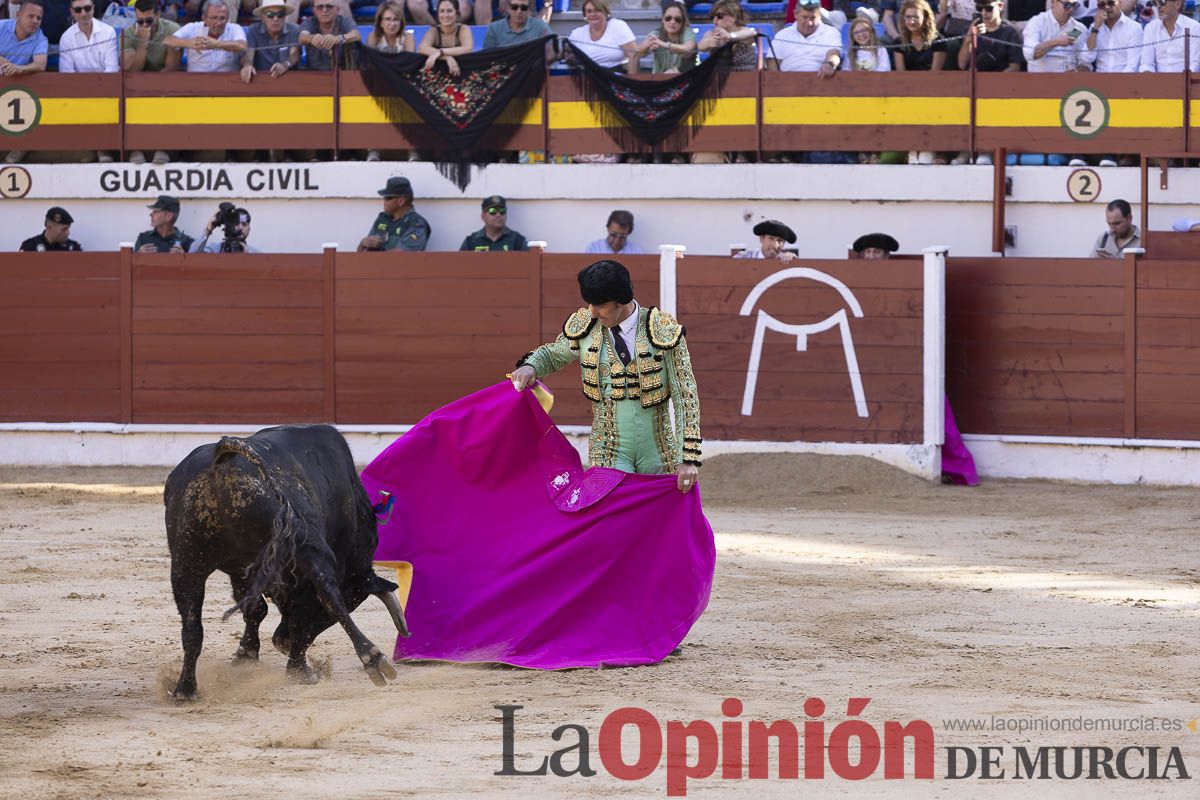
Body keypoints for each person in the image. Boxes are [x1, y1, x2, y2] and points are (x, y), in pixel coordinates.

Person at [511, 259, 702, 491]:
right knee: (612, 521)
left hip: (659, 452)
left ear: (621, 301)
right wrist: (531, 366)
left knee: (657, 524)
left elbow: (686, 396)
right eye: (590, 304)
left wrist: (687, 457)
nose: (592, 311)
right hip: (608, 448)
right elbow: (553, 354)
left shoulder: (663, 331)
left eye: (600, 305)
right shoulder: (587, 327)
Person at [58, 0, 118, 164]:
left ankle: (101, 149)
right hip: (79, 91)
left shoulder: (108, 31)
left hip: (105, 89)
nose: (83, 13)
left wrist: (96, 91)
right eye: (78, 10)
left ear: (93, 9)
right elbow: (67, 75)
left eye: (87, 8)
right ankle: (95, 149)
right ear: (72, 12)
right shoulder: (66, 38)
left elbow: (111, 69)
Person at [121, 0, 180, 167]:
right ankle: (135, 147)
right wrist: (142, 44)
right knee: (128, 96)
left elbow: (171, 68)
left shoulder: (172, 29)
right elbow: (130, 69)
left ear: (158, 15)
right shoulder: (128, 33)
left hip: (165, 82)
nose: (144, 25)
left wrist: (149, 88)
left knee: (166, 96)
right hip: (136, 85)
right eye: (140, 21)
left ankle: (164, 147)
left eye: (149, 21)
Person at [164, 0, 247, 73]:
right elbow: (168, 40)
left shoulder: (234, 28)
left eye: (222, 18)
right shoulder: (192, 27)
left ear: (228, 18)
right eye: (214, 18)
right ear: (204, 17)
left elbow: (242, 45)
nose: (218, 23)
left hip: (228, 82)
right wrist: (189, 43)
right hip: (196, 81)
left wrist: (216, 44)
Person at [769, 0, 842, 76]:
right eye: (805, 17)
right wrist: (778, 81)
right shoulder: (782, 34)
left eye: (813, 18)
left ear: (820, 16)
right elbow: (772, 62)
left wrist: (829, 64)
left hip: (821, 80)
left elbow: (834, 53)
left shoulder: (831, 32)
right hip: (787, 81)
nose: (809, 23)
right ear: (795, 14)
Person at [358, 176, 431, 252]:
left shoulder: (417, 224)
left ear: (401, 201)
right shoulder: (382, 218)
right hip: (374, 263)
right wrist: (362, 243)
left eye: (388, 198)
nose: (384, 201)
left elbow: (400, 257)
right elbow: (360, 255)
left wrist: (374, 257)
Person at [567, 0, 637, 73]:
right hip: (586, 76)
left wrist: (632, 81)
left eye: (597, 10)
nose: (593, 14)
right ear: (585, 15)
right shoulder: (577, 33)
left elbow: (634, 55)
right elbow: (569, 58)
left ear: (606, 12)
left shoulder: (618, 26)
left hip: (614, 77)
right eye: (589, 11)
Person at [1022, 0, 1091, 73]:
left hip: (1069, 79)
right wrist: (1055, 42)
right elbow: (1030, 53)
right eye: (1067, 5)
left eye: (1074, 5)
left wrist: (1077, 71)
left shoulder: (1078, 28)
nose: (1071, 9)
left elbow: (1085, 62)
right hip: (1042, 78)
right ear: (1053, 2)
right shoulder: (1037, 22)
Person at [241, 0, 300, 83]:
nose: (275, 19)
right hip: (260, 79)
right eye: (270, 15)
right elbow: (248, 55)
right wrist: (247, 65)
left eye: (280, 14)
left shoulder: (294, 29)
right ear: (262, 17)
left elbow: (295, 54)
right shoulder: (253, 31)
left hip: (289, 79)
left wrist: (285, 65)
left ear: (285, 16)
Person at [1138, 0, 1200, 74]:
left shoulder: (1193, 27)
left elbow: (1195, 64)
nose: (1158, 6)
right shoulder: (1150, 28)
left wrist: (1183, 80)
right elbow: (1146, 63)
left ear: (1177, 4)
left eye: (1162, 2)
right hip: (1157, 82)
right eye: (1155, 3)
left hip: (1185, 81)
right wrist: (1148, 75)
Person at [300, 0, 361, 71]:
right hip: (314, 73)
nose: (324, 10)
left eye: (329, 6)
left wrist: (338, 39)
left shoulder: (345, 21)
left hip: (344, 73)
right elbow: (301, 36)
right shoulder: (309, 22)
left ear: (337, 9)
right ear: (314, 10)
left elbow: (356, 35)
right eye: (320, 7)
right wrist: (311, 38)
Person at [636, 1, 695, 74]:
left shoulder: (687, 32)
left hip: (682, 79)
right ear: (663, 20)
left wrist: (663, 44)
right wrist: (647, 48)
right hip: (660, 80)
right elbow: (638, 54)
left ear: (683, 22)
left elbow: (688, 49)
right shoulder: (656, 34)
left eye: (677, 19)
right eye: (668, 18)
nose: (672, 22)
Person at [1083, 0, 1141, 73]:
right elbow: (1087, 58)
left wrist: (1116, 81)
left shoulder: (1134, 27)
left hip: (1124, 78)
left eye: (1111, 3)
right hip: (1100, 77)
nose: (1106, 7)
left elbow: (1132, 66)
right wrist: (1096, 27)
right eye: (1102, 5)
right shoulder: (1094, 27)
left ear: (1119, 3)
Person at [418, 0, 473, 77]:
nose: (445, 15)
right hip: (438, 75)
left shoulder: (463, 29)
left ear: (457, 14)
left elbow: (468, 49)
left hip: (461, 72)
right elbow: (422, 48)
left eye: (449, 11)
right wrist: (447, 57)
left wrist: (440, 52)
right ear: (438, 15)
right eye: (442, 11)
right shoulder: (434, 31)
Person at [698, 0, 756, 72]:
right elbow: (701, 46)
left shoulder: (743, 30)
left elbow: (751, 32)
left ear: (733, 17)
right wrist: (710, 42)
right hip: (719, 75)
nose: (714, 20)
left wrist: (730, 36)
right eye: (713, 16)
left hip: (745, 74)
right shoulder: (713, 33)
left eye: (719, 16)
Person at [459, 195, 529, 252]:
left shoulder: (517, 241)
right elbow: (459, 267)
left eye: (502, 211)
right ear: (483, 216)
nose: (498, 215)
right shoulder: (471, 242)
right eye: (493, 211)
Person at [0, 1, 47, 77]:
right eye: (31, 16)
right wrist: (3, 62)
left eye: (38, 18)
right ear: (18, 15)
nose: (35, 21)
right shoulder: (1, 26)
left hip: (17, 81)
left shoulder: (41, 39)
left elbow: (40, 65)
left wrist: (19, 68)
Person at [189, 205, 259, 253]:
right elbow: (192, 255)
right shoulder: (216, 249)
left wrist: (248, 258)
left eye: (244, 224)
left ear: (249, 229)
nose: (240, 227)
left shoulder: (256, 254)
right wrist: (208, 229)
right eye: (236, 223)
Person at [481, 0, 550, 49]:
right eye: (514, 7)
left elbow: (552, 48)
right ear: (509, 9)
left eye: (523, 8)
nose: (519, 11)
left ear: (528, 9)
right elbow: (488, 56)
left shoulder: (540, 26)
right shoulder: (494, 28)